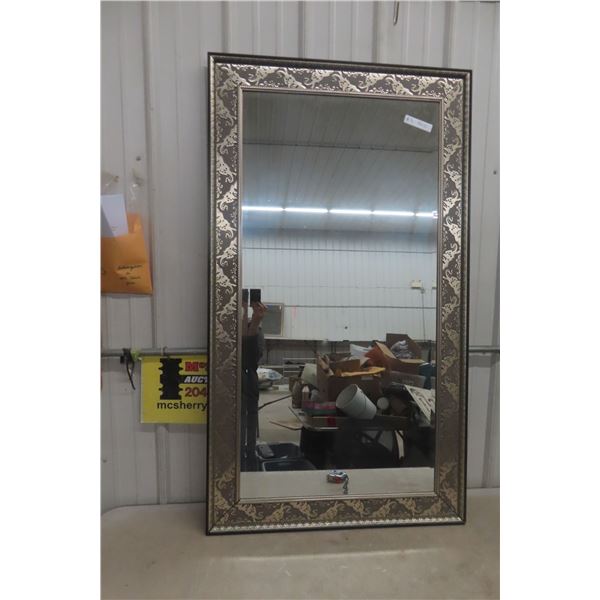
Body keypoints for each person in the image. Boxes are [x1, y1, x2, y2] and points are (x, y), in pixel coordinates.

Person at [240, 300, 267, 471]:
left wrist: (255, 320)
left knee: (249, 416)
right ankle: (244, 452)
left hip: (249, 377)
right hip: (242, 377)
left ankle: (249, 453)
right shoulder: (235, 328)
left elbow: (253, 356)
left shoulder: (258, 332)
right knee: (242, 417)